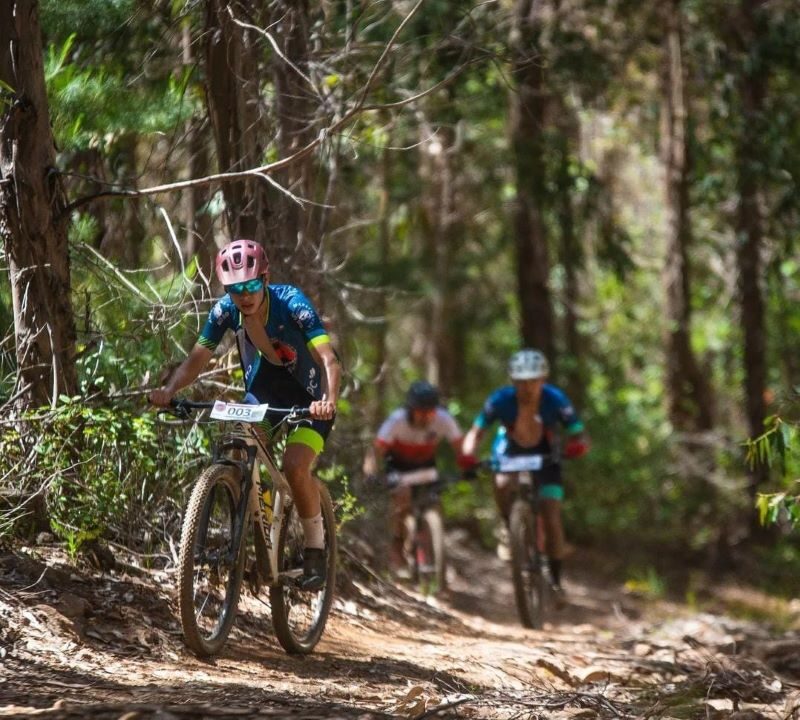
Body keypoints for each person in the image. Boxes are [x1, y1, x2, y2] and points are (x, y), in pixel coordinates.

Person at [149, 239, 340, 591]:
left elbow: (328, 359)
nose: (244, 295)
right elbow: (196, 359)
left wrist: (327, 400)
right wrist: (170, 390)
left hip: (311, 392)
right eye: (235, 289)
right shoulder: (226, 310)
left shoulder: (292, 304)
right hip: (267, 387)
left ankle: (315, 549)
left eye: (251, 285)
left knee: (296, 466)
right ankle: (258, 524)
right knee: (242, 439)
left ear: (265, 279)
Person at [461, 349, 588, 602]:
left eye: (533, 380)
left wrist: (578, 445)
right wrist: (467, 454)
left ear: (543, 380)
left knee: (551, 514)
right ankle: (509, 526)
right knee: (501, 481)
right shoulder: (500, 400)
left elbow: (578, 432)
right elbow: (476, 431)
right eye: (521, 381)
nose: (527, 386)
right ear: (512, 381)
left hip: (546, 454)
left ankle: (555, 579)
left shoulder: (556, 400)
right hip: (510, 449)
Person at [364, 380, 473, 574]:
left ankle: (433, 551)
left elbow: (460, 447)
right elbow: (375, 452)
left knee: (435, 502)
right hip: (398, 467)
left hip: (426, 467)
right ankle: (398, 545)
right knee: (402, 498)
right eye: (420, 411)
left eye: (430, 412)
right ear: (410, 409)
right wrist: (370, 473)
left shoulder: (444, 419)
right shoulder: (396, 421)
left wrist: (467, 466)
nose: (425, 417)